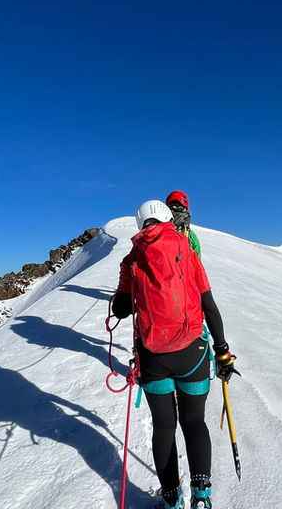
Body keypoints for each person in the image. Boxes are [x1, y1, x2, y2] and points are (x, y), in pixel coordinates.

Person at [112, 200, 238, 509]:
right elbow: (209, 305)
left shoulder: (132, 259)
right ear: (169, 219)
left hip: (153, 357)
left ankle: (171, 500)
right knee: (194, 423)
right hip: (192, 352)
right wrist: (221, 350)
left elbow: (121, 309)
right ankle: (202, 497)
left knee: (164, 427)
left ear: (141, 224)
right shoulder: (189, 250)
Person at [166, 190, 201, 257]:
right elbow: (197, 263)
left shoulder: (157, 228)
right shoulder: (191, 237)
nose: (174, 209)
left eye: (177, 206)